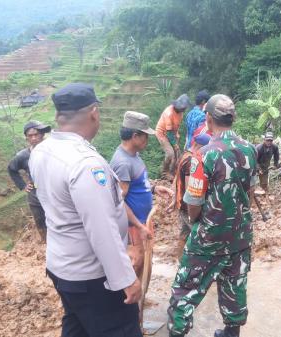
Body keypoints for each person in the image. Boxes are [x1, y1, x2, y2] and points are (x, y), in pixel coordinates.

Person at [29, 83, 143, 337]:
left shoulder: (42, 150)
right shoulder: (86, 164)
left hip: (62, 269)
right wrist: (126, 279)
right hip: (93, 279)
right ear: (94, 112)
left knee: (77, 325)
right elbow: (101, 231)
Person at [167, 94, 258, 337]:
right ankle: (231, 331)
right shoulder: (250, 150)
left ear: (208, 118)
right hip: (240, 234)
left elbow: (193, 202)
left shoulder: (203, 155)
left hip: (209, 236)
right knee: (234, 282)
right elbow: (250, 191)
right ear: (232, 118)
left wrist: (197, 221)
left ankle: (177, 332)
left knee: (185, 288)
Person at [110, 111, 173, 278]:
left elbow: (136, 184)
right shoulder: (122, 163)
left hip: (142, 224)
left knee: (144, 266)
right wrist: (139, 226)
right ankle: (132, 303)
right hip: (133, 228)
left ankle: (140, 302)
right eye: (146, 135)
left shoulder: (134, 156)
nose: (148, 139)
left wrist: (154, 188)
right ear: (135, 136)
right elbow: (118, 202)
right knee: (135, 264)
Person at [8, 120, 51, 242]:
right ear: (26, 138)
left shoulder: (52, 151)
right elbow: (12, 169)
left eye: (36, 134)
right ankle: (45, 241)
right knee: (39, 219)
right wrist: (22, 185)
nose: (33, 138)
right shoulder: (23, 156)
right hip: (35, 193)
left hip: (53, 190)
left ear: (42, 135)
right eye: (30, 136)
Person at [169, 133, 211, 258]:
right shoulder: (191, 161)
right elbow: (190, 188)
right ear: (199, 146)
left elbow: (177, 179)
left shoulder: (184, 155)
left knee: (184, 234)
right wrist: (194, 209)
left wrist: (174, 199)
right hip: (188, 206)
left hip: (181, 202)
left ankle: (181, 262)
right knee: (201, 237)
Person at [156, 94, 190, 180]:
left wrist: (176, 136)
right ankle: (164, 173)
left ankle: (172, 173)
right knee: (170, 153)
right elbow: (169, 133)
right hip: (162, 133)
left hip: (172, 133)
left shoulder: (180, 113)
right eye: (183, 108)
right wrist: (175, 144)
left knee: (177, 154)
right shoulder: (169, 113)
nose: (184, 109)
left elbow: (176, 126)